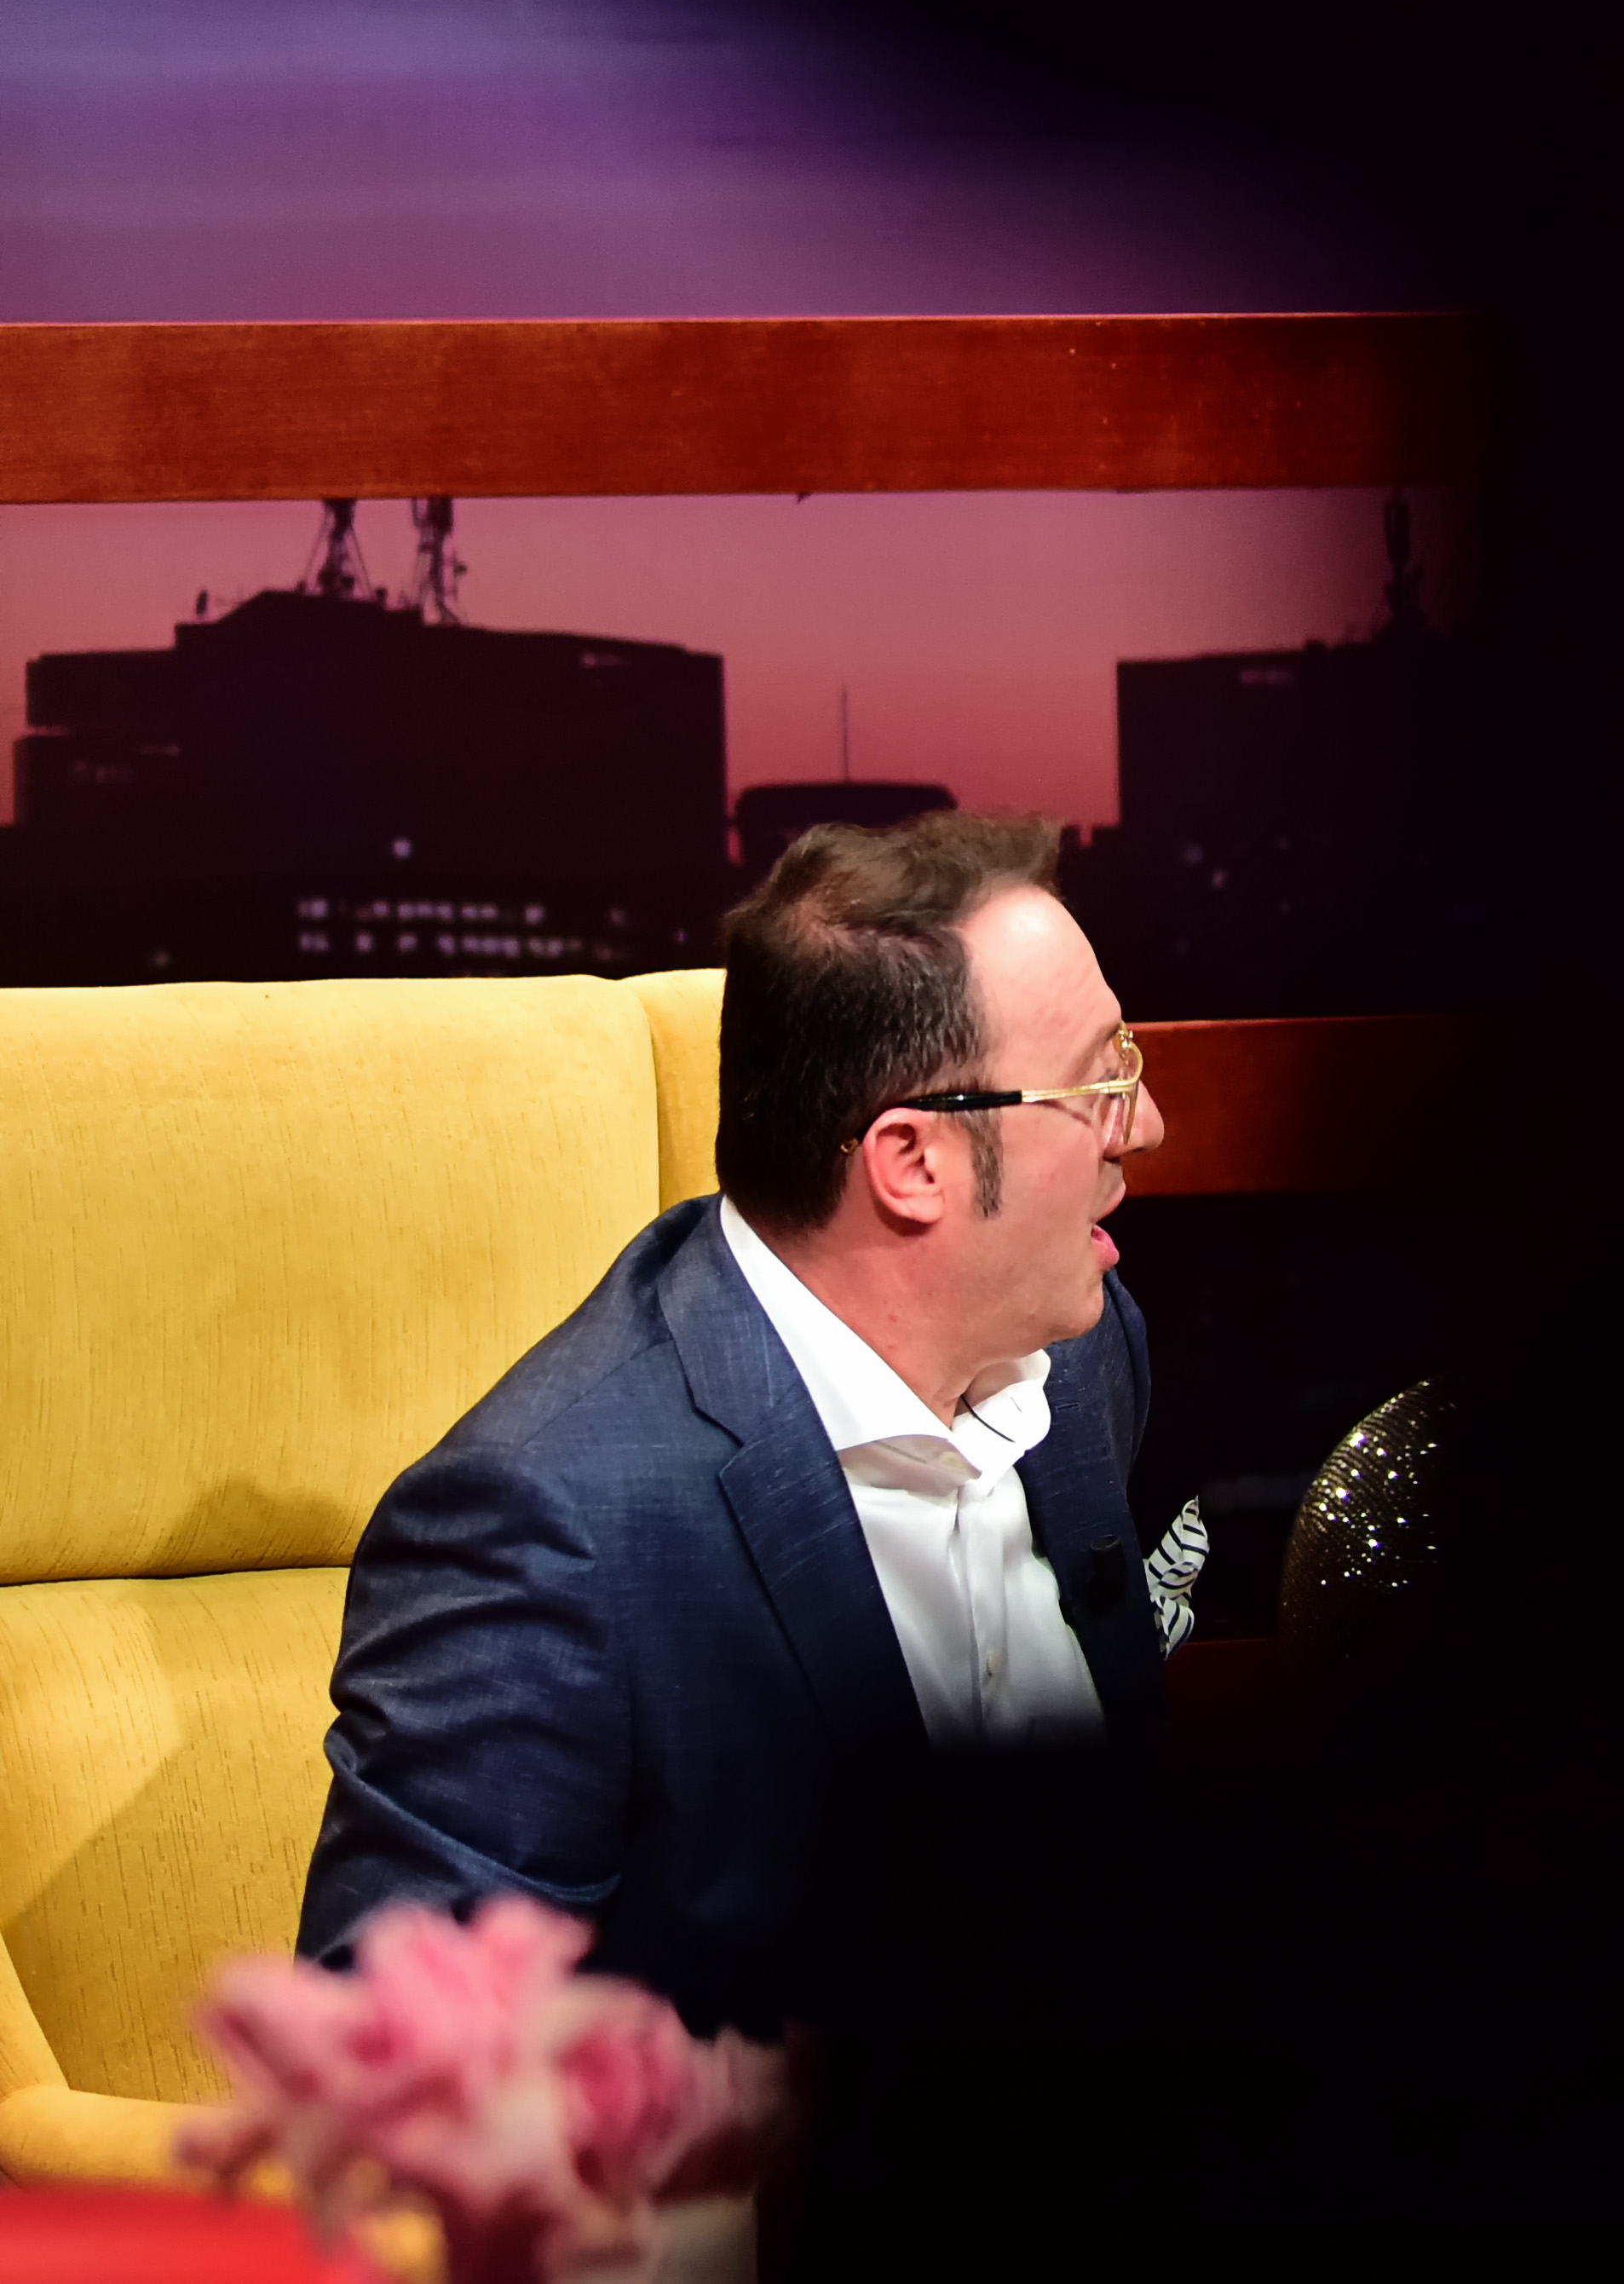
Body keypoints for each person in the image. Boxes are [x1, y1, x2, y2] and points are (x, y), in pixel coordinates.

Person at [297, 813, 1174, 2035]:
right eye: (1100, 1087)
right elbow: (399, 2074)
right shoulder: (549, 1525)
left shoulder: (1081, 1356)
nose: (1146, 1127)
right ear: (913, 1162)